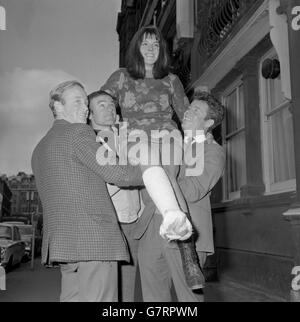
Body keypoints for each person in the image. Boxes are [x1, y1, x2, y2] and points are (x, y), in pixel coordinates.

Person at [100, 25, 204, 289]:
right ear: (136, 48)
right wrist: (103, 134)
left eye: (155, 45)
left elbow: (185, 114)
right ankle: (169, 240)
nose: (150, 49)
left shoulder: (171, 80)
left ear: (162, 51)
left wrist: (199, 143)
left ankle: (187, 252)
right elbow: (101, 103)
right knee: (155, 178)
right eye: (145, 44)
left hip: (169, 137)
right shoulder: (121, 77)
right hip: (135, 140)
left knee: (167, 178)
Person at [31, 80, 143, 302]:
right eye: (77, 101)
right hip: (95, 243)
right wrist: (150, 169)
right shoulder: (79, 132)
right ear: (58, 106)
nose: (85, 107)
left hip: (64, 245)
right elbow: (118, 174)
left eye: (85, 102)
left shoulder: (39, 148)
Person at [135, 91, 226, 301]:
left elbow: (194, 189)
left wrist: (162, 174)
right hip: (152, 228)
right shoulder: (169, 143)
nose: (187, 112)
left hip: (187, 231)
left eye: (195, 111)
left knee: (188, 299)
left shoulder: (213, 152)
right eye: (189, 107)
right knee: (153, 297)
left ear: (208, 122)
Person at [88, 89, 142, 302]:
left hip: (132, 222)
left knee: (127, 288)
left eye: (111, 104)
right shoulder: (90, 142)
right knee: (106, 290)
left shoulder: (123, 137)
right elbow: (111, 182)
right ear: (90, 115)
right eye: (101, 105)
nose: (109, 108)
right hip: (108, 224)